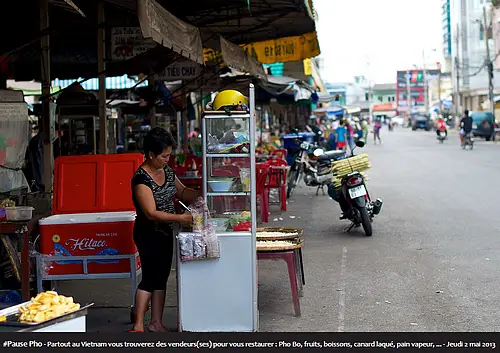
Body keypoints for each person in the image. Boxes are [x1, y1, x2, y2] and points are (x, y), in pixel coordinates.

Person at [130, 127, 200, 332]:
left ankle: (156, 323)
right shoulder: (141, 179)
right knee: (150, 277)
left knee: (161, 277)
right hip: (148, 232)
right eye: (164, 155)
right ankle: (138, 325)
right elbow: (151, 212)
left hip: (166, 232)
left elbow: (182, 192)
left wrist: (203, 191)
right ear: (151, 154)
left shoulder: (167, 171)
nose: (168, 159)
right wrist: (181, 218)